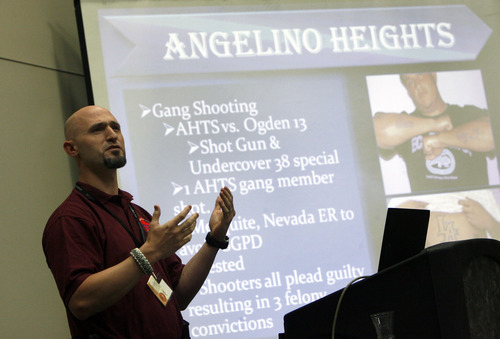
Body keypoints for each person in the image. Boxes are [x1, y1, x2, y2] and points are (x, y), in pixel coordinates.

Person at [42, 105, 236, 338]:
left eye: (116, 127)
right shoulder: (71, 219)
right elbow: (81, 302)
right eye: (97, 129)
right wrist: (148, 254)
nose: (112, 135)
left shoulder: (137, 213)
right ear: (72, 148)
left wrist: (214, 239)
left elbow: (179, 295)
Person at [373, 72, 496, 192]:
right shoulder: (406, 125)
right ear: (409, 92)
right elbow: (377, 130)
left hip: (473, 206)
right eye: (409, 82)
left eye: (420, 75)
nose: (417, 84)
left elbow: (494, 134)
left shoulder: (467, 114)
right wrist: (436, 124)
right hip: (429, 209)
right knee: (396, 209)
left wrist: (441, 140)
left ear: (434, 76)